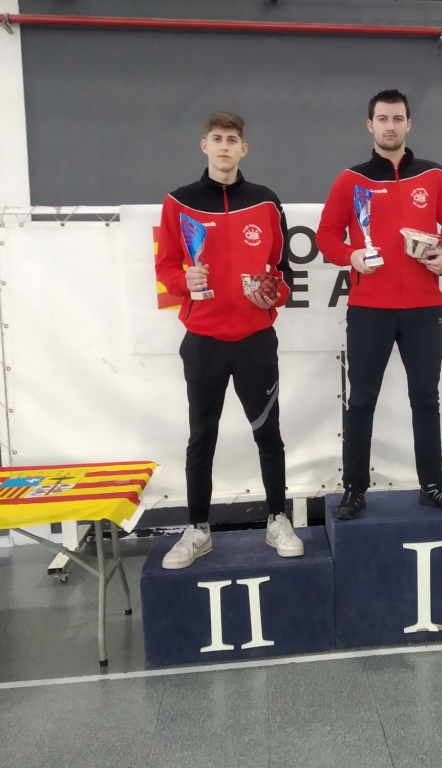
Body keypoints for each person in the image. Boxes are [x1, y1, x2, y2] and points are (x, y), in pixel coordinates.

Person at [155, 111, 302, 569]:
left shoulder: (266, 202)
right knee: (202, 436)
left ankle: (277, 519)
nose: (224, 146)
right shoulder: (179, 202)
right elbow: (165, 269)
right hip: (203, 340)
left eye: (232, 139)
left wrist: (272, 292)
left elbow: (283, 272)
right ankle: (198, 529)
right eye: (216, 139)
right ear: (205, 146)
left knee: (268, 433)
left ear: (243, 149)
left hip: (255, 339)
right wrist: (183, 280)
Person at [316, 89, 442, 520]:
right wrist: (350, 255)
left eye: (397, 118)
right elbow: (325, 236)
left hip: (424, 308)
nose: (390, 126)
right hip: (370, 309)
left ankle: (433, 485)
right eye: (382, 119)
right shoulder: (351, 179)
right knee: (362, 400)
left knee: (425, 398)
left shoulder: (434, 176)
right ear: (370, 125)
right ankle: (354, 489)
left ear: (408, 124)